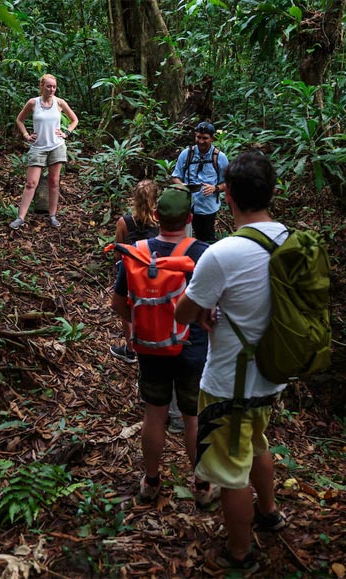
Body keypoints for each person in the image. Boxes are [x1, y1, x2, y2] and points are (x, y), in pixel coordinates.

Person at [174, 151, 288, 574]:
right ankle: (270, 512)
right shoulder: (291, 241)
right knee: (256, 442)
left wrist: (204, 305)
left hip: (230, 382)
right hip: (273, 373)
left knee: (229, 472)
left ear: (229, 196)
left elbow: (184, 313)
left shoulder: (223, 253)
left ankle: (240, 553)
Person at [111, 186, 219, 508]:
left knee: (154, 414)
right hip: (191, 348)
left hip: (149, 346)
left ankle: (152, 482)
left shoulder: (138, 250)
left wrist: (140, 324)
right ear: (189, 218)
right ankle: (201, 485)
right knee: (191, 416)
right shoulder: (202, 252)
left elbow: (118, 304)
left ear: (156, 216)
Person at [10, 74, 78, 230]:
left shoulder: (59, 103)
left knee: (54, 182)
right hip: (38, 147)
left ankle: (52, 215)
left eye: (54, 86)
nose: (52, 89)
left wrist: (66, 132)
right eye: (48, 86)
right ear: (41, 86)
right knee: (31, 183)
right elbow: (19, 119)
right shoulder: (33, 103)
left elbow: (75, 119)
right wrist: (26, 135)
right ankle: (20, 217)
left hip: (56, 146)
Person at [108, 179, 159, 364]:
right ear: (155, 200)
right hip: (153, 274)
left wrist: (118, 269)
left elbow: (118, 250)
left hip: (129, 273)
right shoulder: (159, 223)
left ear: (134, 199)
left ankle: (130, 349)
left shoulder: (124, 221)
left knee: (126, 309)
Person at [171, 121, 229, 243]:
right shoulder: (186, 154)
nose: (201, 141)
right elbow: (175, 176)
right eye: (198, 137)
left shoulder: (219, 157)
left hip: (207, 207)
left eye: (205, 138)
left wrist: (215, 188)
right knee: (182, 241)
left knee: (206, 241)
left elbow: (228, 183)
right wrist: (182, 186)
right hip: (186, 206)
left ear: (212, 139)